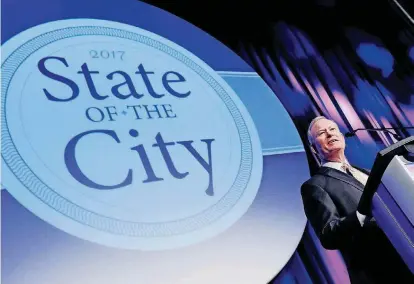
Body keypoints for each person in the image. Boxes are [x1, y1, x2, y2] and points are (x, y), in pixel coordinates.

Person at [301, 116, 413, 284]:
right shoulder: (315, 185)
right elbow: (329, 235)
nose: (330, 134)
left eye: (333, 130)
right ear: (314, 148)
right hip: (376, 274)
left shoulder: (368, 173)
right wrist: (361, 214)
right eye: (322, 133)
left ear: (342, 136)